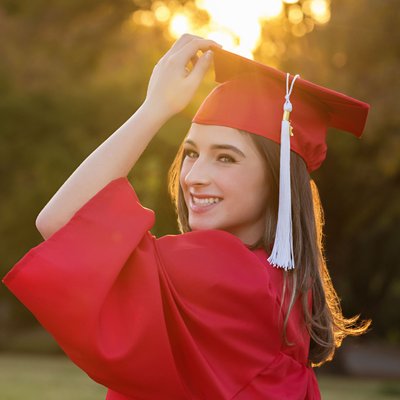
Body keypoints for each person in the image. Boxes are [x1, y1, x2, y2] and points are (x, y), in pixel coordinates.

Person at [2, 34, 371, 399]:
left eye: (226, 157)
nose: (193, 177)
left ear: (278, 179)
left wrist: (154, 108)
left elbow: (63, 222)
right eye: (192, 153)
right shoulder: (289, 290)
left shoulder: (223, 272)